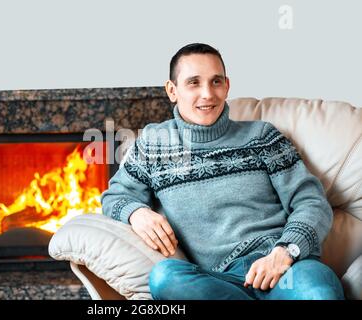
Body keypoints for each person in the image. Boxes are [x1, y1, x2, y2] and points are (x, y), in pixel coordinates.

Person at [100, 43, 344, 300]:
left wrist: (285, 252)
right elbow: (114, 196)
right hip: (217, 282)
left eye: (216, 82)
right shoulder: (153, 144)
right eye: (194, 83)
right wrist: (136, 213)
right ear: (172, 90)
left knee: (318, 293)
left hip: (285, 271)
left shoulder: (263, 136)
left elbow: (312, 202)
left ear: (227, 86)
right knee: (165, 277)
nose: (207, 93)